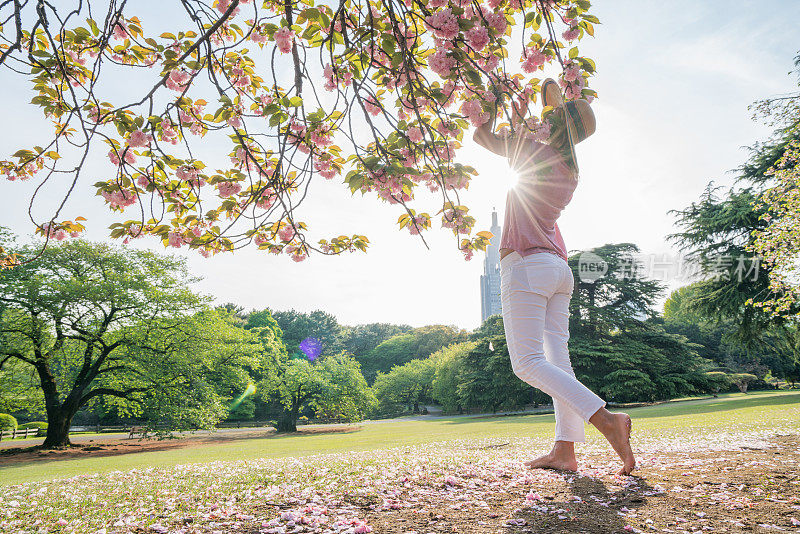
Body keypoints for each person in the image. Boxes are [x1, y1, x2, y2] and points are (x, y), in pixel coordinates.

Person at [473, 79, 636, 475]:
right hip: (559, 270)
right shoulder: (570, 169)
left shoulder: (532, 151)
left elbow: (482, 136)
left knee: (527, 363)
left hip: (527, 266)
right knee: (558, 362)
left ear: (555, 124)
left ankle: (606, 420)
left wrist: (498, 100)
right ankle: (565, 451)